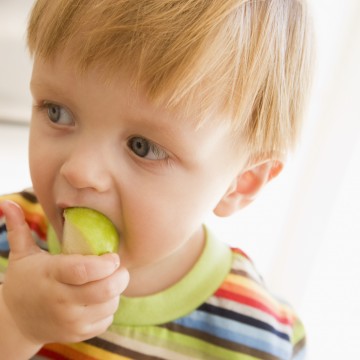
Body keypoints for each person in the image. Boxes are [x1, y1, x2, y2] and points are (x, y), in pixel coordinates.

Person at [0, 0, 313, 358]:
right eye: (57, 112)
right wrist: (14, 322)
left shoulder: (259, 339)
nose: (79, 170)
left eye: (142, 147)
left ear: (241, 182)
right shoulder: (8, 232)